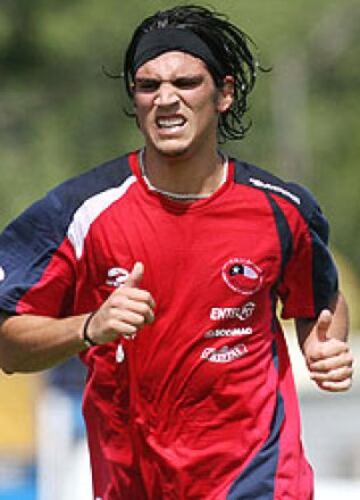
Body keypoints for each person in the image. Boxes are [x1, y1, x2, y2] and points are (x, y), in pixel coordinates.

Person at [0, 5, 354, 499]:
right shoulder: (78, 211)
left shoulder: (282, 209)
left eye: (186, 82)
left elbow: (321, 301)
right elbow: (8, 345)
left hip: (260, 479)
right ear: (135, 99)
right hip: (133, 483)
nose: (166, 99)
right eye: (148, 86)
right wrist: (87, 327)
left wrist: (324, 347)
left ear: (224, 93)